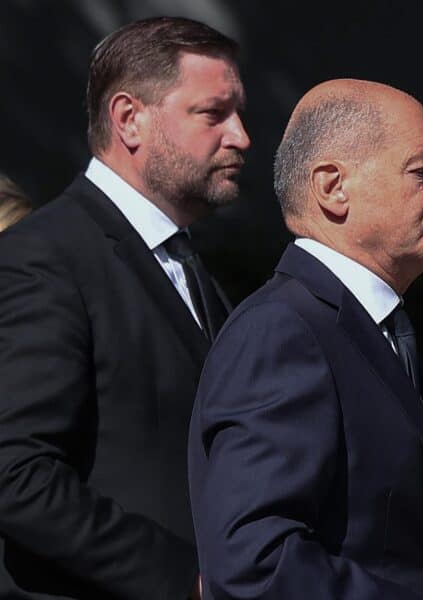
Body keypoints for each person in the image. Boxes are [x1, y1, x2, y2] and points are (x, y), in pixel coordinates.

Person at [188, 79, 423, 600]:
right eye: (421, 172)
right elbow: (252, 567)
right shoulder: (282, 332)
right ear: (332, 188)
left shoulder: (363, 328)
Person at [0, 16, 249, 600]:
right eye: (213, 114)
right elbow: (14, 474)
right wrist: (185, 580)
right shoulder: (45, 259)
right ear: (129, 119)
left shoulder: (188, 266)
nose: (241, 136)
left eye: (238, 113)